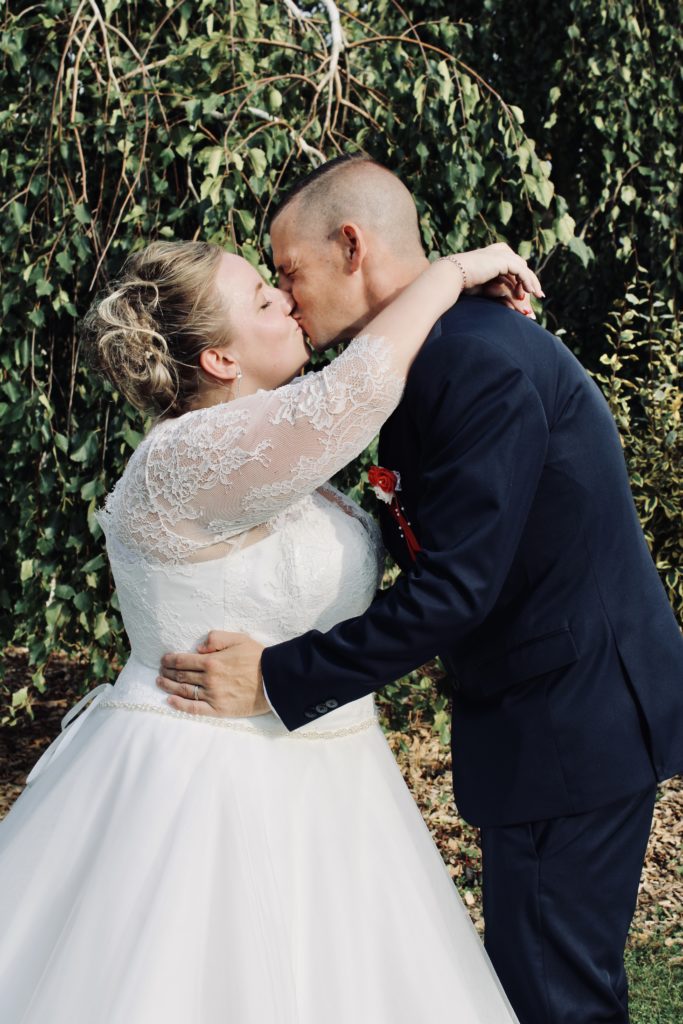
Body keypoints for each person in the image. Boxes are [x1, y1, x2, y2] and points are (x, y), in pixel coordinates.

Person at [157, 157, 683, 1024]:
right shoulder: (425, 355)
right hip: (545, 710)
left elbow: (453, 590)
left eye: (288, 272)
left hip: (571, 719)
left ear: (351, 246)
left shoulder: (475, 362)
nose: (285, 298)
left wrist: (276, 677)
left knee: (554, 997)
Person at [0, 233, 543, 1022]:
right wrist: (452, 272)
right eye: (262, 299)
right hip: (200, 787)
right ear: (220, 359)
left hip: (334, 779)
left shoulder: (268, 452)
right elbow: (358, 388)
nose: (287, 301)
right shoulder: (183, 457)